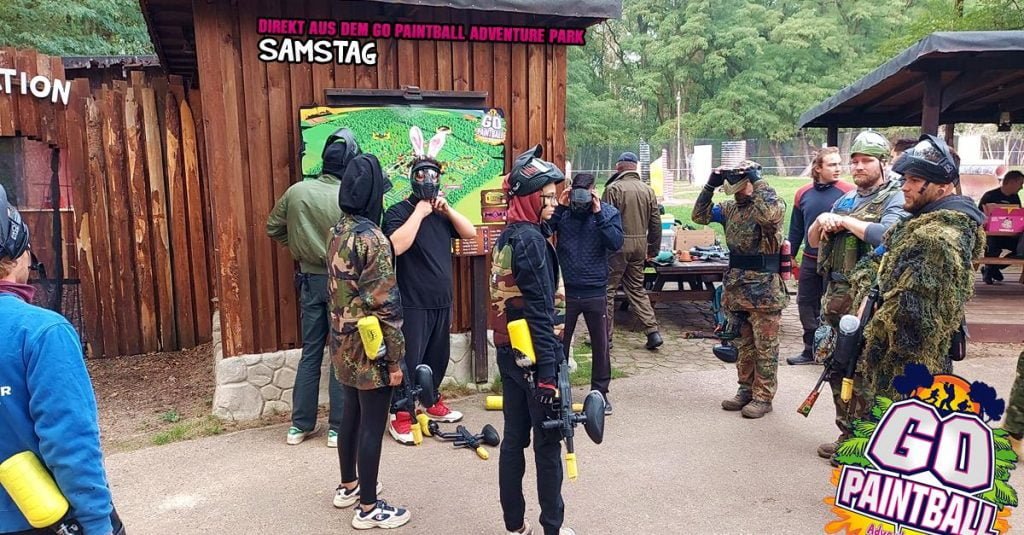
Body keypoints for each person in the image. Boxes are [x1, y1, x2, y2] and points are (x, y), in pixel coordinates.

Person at [0, 184, 123, 535]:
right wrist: (97, 524)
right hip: (40, 519)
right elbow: (70, 442)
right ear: (19, 254)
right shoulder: (41, 332)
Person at [854, 134, 984, 401]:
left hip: (909, 366)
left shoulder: (937, 238)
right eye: (905, 179)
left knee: (900, 420)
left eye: (914, 180)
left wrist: (870, 307)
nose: (904, 187)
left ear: (942, 187)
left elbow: (909, 316)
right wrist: (871, 291)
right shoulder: (916, 225)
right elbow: (877, 260)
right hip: (902, 361)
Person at [806, 131, 908, 461]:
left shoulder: (895, 196)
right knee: (837, 365)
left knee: (862, 368)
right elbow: (812, 242)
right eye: (855, 161)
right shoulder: (847, 199)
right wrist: (821, 220)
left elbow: (888, 235)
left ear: (883, 162)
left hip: (869, 298)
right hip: (837, 294)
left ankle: (866, 442)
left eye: (866, 161)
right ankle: (847, 433)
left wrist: (846, 223)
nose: (859, 167)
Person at [489, 145, 575, 535]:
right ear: (528, 197)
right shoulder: (531, 243)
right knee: (548, 443)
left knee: (513, 439)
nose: (554, 203)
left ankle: (514, 525)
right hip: (536, 358)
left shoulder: (509, 236)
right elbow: (541, 312)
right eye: (548, 196)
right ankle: (552, 528)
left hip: (509, 352)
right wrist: (548, 375)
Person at [327, 153, 411, 530]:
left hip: (341, 341)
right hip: (370, 346)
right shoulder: (373, 239)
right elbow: (386, 306)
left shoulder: (338, 230)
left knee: (351, 414)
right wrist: (394, 361)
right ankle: (368, 508)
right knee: (372, 425)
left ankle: (349, 486)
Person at [266, 129, 358, 447]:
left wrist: (299, 246)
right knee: (340, 352)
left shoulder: (297, 191)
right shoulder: (348, 196)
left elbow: (273, 227)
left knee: (311, 352)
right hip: (342, 283)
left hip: (308, 280)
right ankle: (337, 428)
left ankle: (299, 426)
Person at [382, 136, 476, 444]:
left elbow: (469, 233)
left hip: (441, 300)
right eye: (421, 175)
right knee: (408, 361)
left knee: (438, 357)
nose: (428, 180)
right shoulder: (399, 211)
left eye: (433, 175)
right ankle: (401, 413)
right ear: (413, 177)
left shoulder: (441, 212)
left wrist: (448, 211)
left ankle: (430, 400)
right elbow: (396, 246)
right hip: (413, 301)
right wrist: (419, 213)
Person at [692, 161, 789, 419]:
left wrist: (757, 181)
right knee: (743, 344)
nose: (734, 186)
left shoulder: (771, 204)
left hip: (764, 290)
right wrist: (710, 184)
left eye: (740, 179)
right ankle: (746, 389)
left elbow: (770, 217)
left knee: (765, 347)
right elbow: (699, 216)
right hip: (737, 288)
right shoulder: (730, 208)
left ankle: (763, 397)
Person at [550, 173, 623, 414]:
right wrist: (561, 207)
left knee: (600, 346)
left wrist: (598, 213)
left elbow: (615, 243)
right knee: (559, 343)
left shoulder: (608, 213)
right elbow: (543, 230)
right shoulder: (564, 213)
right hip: (567, 291)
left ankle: (600, 394)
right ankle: (557, 391)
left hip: (595, 289)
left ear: (594, 191)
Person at [785, 147, 853, 366]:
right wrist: (790, 256)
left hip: (837, 261)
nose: (838, 168)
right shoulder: (803, 193)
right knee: (805, 302)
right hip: (810, 258)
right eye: (832, 164)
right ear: (818, 168)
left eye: (839, 164)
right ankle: (811, 350)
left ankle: (834, 352)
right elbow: (796, 228)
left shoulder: (849, 192)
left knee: (833, 305)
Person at [602, 152, 663, 350]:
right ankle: (652, 332)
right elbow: (656, 222)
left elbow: (605, 220)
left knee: (608, 290)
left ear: (618, 167)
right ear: (635, 167)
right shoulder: (648, 190)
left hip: (617, 246)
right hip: (640, 246)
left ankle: (605, 338)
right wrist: (653, 248)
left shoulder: (613, 189)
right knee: (636, 288)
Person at [978, 170, 1024, 284]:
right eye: (1020, 183)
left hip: (1010, 235)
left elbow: (1018, 216)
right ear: (1012, 182)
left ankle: (995, 267)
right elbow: (979, 215)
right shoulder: (990, 196)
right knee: (991, 246)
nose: (1021, 187)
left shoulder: (1015, 198)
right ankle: (989, 269)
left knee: (1021, 250)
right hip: (993, 235)